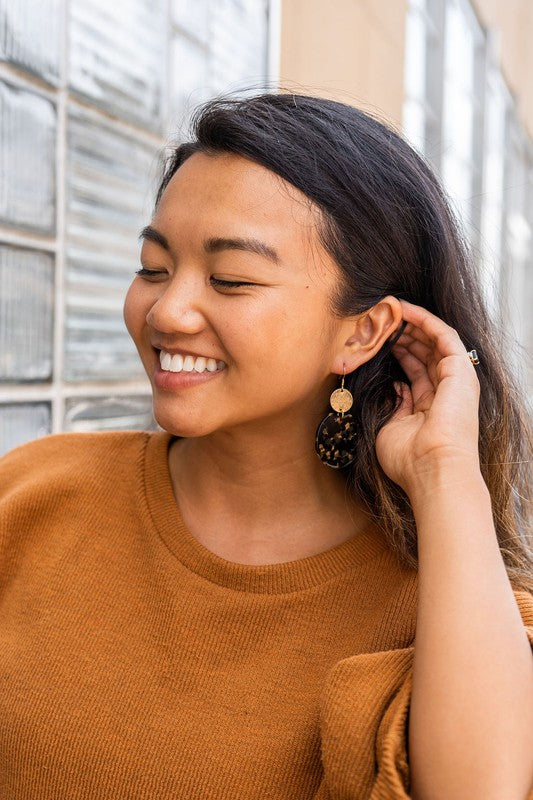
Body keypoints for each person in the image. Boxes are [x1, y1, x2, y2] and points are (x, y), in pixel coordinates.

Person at [1, 92, 532, 800]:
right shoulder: (33, 493)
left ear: (362, 332)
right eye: (153, 267)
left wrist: (444, 474)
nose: (166, 310)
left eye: (230, 280)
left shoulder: (456, 601)